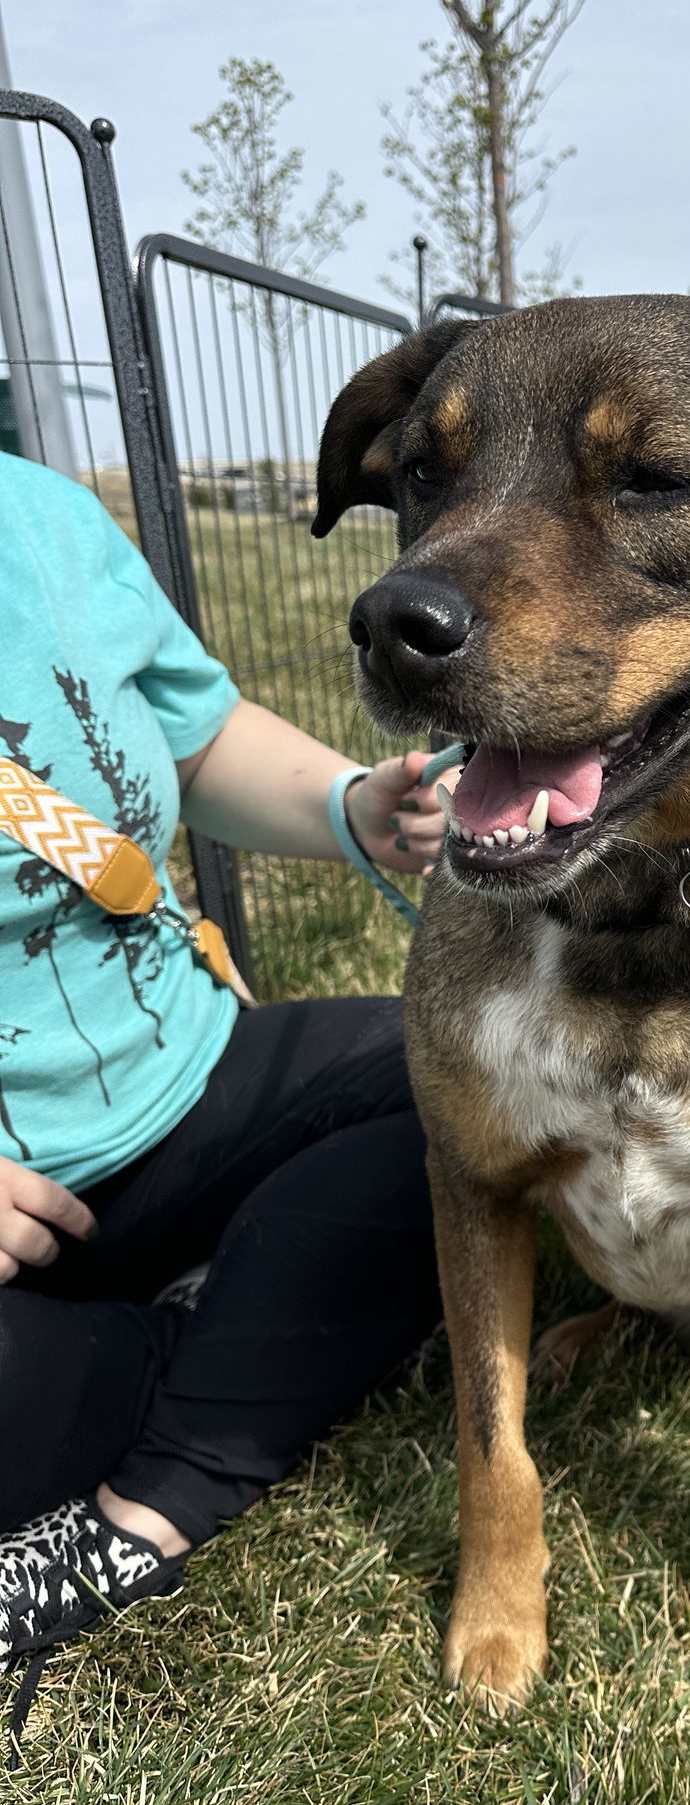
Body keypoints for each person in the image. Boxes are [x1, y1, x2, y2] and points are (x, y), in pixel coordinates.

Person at [0, 448, 448, 1685]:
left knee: (478, 1094)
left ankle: (149, 1489)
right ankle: (233, 1338)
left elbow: (192, 736)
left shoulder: (37, 516)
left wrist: (350, 808)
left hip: (187, 1079)